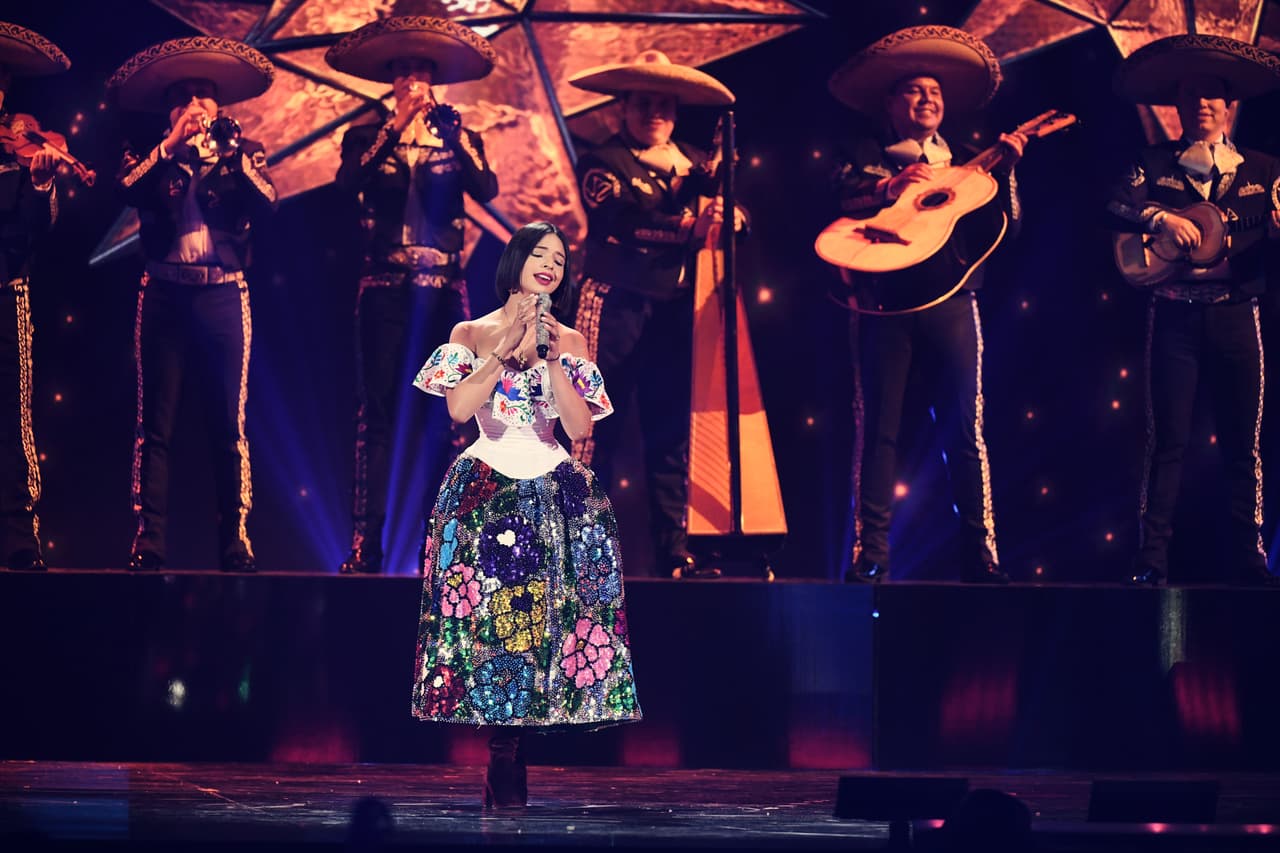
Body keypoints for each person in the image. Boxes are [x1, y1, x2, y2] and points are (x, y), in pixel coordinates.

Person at [410, 221, 641, 809]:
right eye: (539, 254)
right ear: (514, 261)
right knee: (487, 621)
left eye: (559, 260)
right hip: (485, 483)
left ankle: (518, 743)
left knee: (545, 621)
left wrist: (551, 355)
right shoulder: (470, 331)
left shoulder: (572, 340)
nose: (549, 265)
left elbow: (581, 427)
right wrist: (500, 350)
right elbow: (460, 410)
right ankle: (502, 748)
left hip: (551, 486)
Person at [827, 26, 1025, 584]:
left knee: (966, 428)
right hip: (882, 307)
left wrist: (1006, 172)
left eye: (934, 91)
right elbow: (839, 196)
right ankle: (872, 556)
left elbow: (1002, 228)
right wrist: (891, 187)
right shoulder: (863, 155)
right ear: (890, 104)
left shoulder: (968, 162)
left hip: (953, 305)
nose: (927, 99)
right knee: (878, 432)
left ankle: (980, 553)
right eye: (914, 90)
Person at [325, 16, 499, 575]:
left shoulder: (460, 134)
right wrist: (395, 125)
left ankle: (448, 549)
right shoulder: (365, 136)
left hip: (445, 293)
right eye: (401, 73)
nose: (412, 82)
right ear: (390, 81)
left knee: (450, 419)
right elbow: (346, 186)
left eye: (421, 72)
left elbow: (486, 188)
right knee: (375, 417)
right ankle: (366, 545)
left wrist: (454, 141)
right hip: (384, 289)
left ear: (436, 79)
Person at [1108, 35, 1280, 586]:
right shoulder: (1151, 164)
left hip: (1236, 314)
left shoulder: (1266, 168)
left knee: (1242, 443)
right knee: (1168, 442)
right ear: (1176, 108)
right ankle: (1151, 557)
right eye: (1191, 96)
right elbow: (1111, 205)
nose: (1202, 104)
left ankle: (1249, 556)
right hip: (1174, 313)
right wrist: (1159, 219)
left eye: (1212, 96)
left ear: (1229, 106)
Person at [567, 49, 743, 579]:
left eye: (663, 104)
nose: (654, 114)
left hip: (672, 309)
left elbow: (737, 215)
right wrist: (688, 227)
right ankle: (579, 549)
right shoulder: (602, 159)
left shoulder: (696, 163)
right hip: (613, 303)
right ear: (623, 107)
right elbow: (618, 219)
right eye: (643, 103)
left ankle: (675, 551)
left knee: (670, 430)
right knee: (594, 427)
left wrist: (731, 215)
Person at [107, 37, 278, 573]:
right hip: (163, 293)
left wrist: (228, 156)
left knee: (229, 424)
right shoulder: (148, 150)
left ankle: (236, 540)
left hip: (224, 293)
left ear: (220, 106)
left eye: (205, 95)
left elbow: (269, 202)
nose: (197, 106)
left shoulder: (243, 152)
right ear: (171, 109)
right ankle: (148, 539)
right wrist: (169, 149)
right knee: (154, 425)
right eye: (185, 98)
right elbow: (127, 191)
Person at [0, 21, 68, 572]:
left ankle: (22, 536)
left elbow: (36, 232)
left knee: (12, 418)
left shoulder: (21, 153)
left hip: (6, 295)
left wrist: (44, 186)